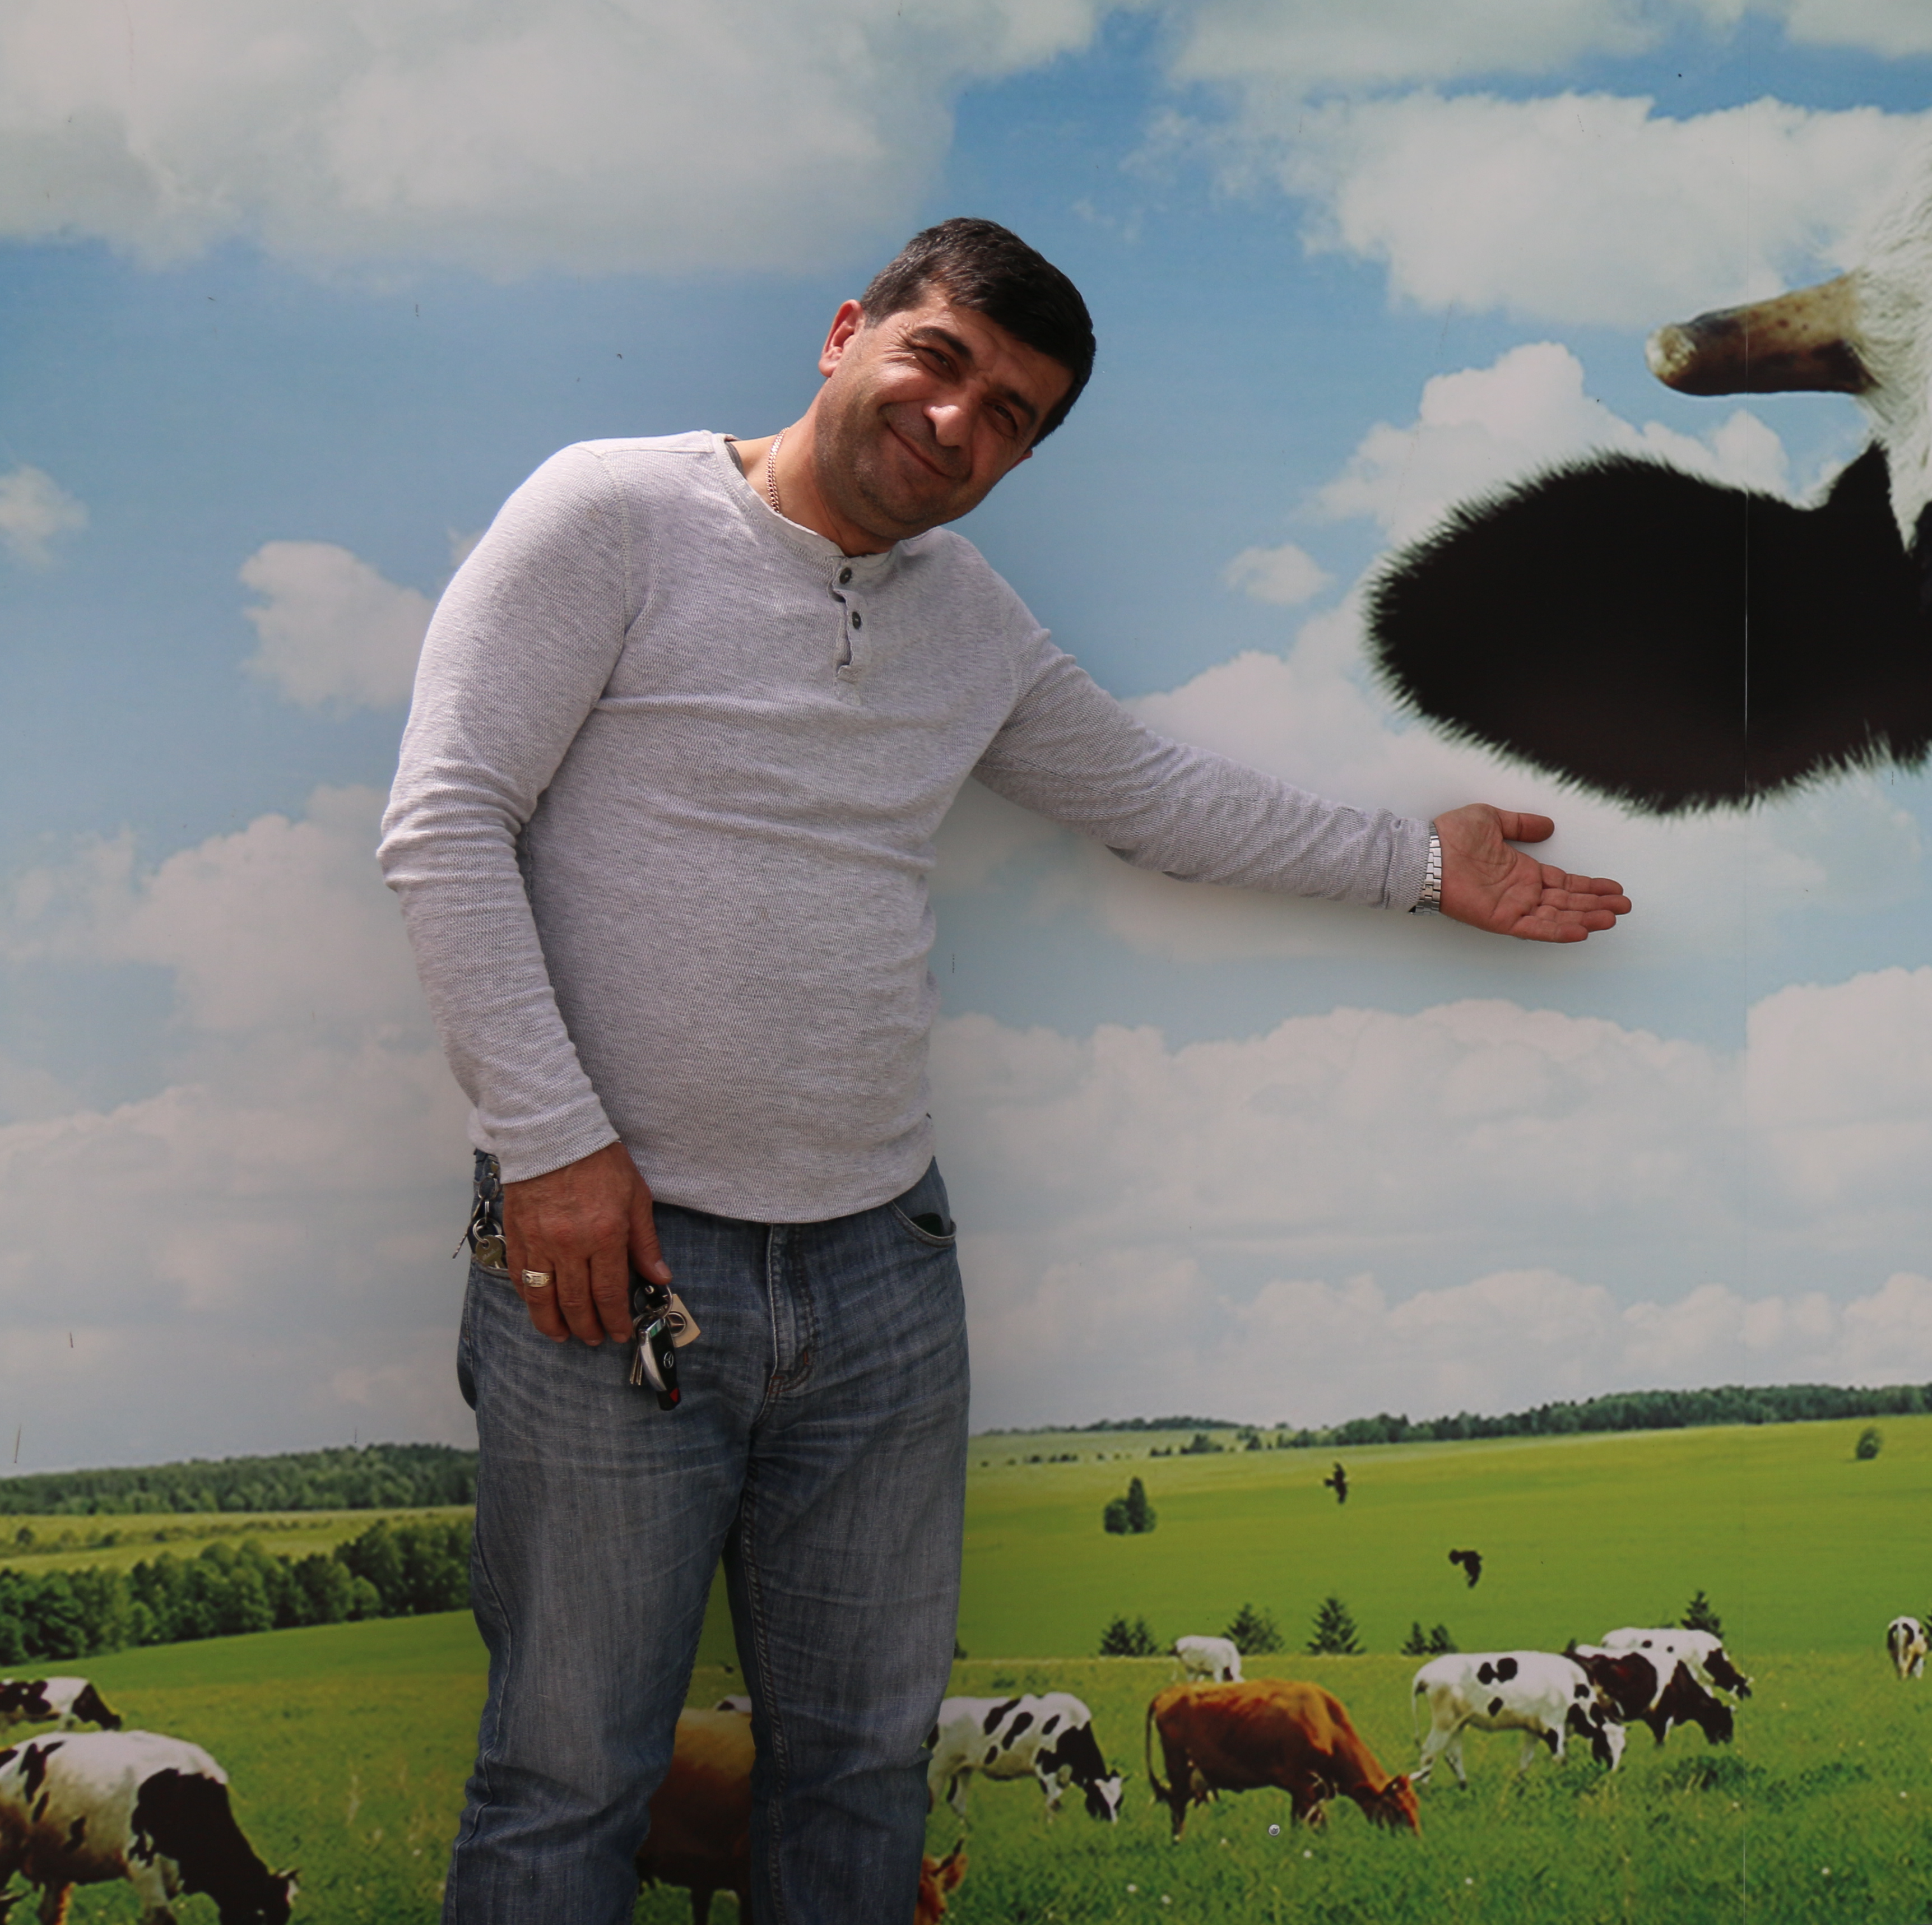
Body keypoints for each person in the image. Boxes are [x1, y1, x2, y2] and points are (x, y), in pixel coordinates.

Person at [380, 217, 1627, 1922]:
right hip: (618, 1263)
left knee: (862, 1767)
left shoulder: (965, 620)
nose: (962, 422)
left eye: (1015, 415)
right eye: (941, 362)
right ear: (847, 333)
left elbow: (1153, 796)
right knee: (569, 1772)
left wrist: (1422, 862)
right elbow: (444, 824)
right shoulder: (613, 512)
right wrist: (553, 1148)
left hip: (882, 1269)